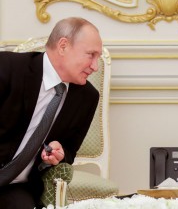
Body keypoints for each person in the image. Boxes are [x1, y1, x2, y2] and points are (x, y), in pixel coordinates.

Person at [0, 17, 102, 208]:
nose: (95, 67)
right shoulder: (7, 67)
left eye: (98, 59)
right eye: (91, 55)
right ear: (63, 46)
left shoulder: (87, 97)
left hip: (15, 189)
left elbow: (70, 152)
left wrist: (59, 153)